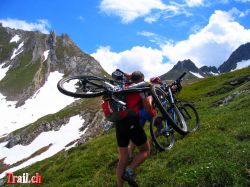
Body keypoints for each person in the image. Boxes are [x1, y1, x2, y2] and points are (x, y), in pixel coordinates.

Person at [115, 71, 154, 187]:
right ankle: (129, 171)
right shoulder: (141, 89)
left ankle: (119, 186)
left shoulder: (123, 86)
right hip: (131, 121)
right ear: (142, 78)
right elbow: (148, 110)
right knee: (145, 150)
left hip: (119, 122)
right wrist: (146, 97)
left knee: (123, 159)